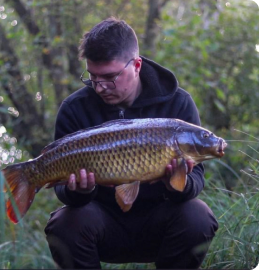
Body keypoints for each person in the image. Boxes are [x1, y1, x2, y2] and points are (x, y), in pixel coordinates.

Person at [44, 17, 218, 269]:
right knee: (64, 223)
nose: (100, 87)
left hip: (161, 223)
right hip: (102, 223)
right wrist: (79, 191)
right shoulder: (74, 109)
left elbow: (196, 182)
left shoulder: (178, 105)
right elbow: (63, 191)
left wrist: (175, 183)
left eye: (110, 77)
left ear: (136, 65)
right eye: (93, 77)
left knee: (198, 216)